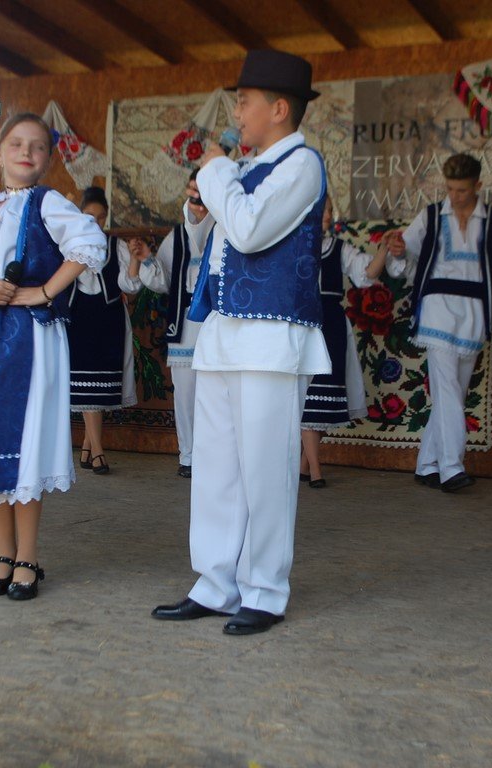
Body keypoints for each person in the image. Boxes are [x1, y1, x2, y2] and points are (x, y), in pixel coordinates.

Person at [151, 50, 330, 636]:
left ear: (279, 109)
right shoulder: (244, 169)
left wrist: (216, 174)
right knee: (216, 467)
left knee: (265, 469)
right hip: (224, 334)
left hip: (271, 338)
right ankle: (216, 582)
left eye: (244, 101)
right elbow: (219, 236)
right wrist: (201, 205)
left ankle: (265, 590)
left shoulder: (302, 165)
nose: (236, 112)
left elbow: (251, 231)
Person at [0, 112, 107, 601]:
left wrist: (45, 291)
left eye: (37, 146)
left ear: (48, 158)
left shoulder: (48, 203)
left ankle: (27, 555)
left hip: (30, 336)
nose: (26, 152)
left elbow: (89, 242)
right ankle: (2, 553)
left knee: (25, 444)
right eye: (16, 143)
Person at [386, 153, 492, 492]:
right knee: (449, 390)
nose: (454, 196)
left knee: (454, 392)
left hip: (474, 311)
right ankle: (452, 467)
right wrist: (397, 250)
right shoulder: (431, 216)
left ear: (478, 185)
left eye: (462, 190)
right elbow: (404, 256)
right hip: (437, 307)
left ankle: (427, 464)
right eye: (450, 188)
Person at [299, 196, 394, 488]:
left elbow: (367, 273)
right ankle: (316, 471)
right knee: (310, 399)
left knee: (327, 400)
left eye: (329, 211)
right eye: (323, 210)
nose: (328, 215)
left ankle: (303, 466)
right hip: (303, 326)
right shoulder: (293, 248)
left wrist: (383, 249)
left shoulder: (339, 248)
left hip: (331, 326)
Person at [66, 186, 149, 476]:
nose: (96, 222)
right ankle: (98, 451)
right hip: (78, 321)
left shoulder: (116, 247)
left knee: (101, 390)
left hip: (109, 321)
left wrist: (135, 260)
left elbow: (130, 287)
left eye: (101, 217)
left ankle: (88, 446)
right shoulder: (68, 246)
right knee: (87, 387)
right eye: (90, 216)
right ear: (80, 215)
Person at [131, 171, 204, 478]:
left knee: (219, 395)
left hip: (220, 325)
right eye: (194, 195)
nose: (199, 203)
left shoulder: (228, 231)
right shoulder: (178, 237)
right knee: (186, 395)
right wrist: (148, 258)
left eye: (204, 194)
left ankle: (217, 457)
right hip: (186, 325)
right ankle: (188, 456)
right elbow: (162, 282)